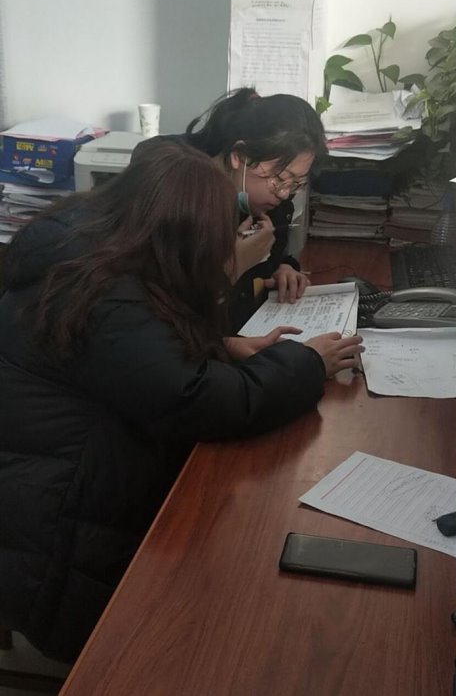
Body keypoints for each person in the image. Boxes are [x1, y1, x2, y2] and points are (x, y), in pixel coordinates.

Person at [0, 141, 363, 662]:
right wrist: (306, 364)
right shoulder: (106, 293)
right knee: (219, 607)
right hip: (56, 532)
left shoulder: (93, 251)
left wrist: (225, 347)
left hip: (63, 479)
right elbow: (194, 402)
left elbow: (142, 357)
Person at [132, 87, 328, 331]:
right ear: (239, 156)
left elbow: (272, 255)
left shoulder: (266, 198)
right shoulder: (178, 197)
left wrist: (282, 267)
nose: (284, 193)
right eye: (280, 179)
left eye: (297, 183)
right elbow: (164, 312)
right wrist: (233, 266)